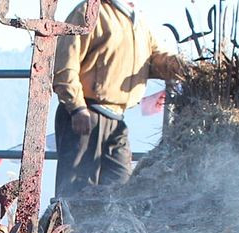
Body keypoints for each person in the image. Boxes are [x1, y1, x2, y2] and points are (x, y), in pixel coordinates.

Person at [51, 0, 185, 196]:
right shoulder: (90, 11)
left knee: (120, 189)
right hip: (85, 114)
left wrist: (184, 68)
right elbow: (65, 65)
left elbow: (154, 59)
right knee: (76, 192)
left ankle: (109, 228)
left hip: (117, 119)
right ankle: (70, 227)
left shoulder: (137, 19)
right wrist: (76, 107)